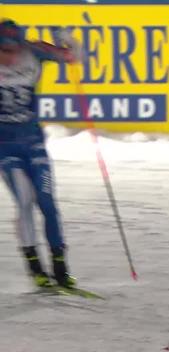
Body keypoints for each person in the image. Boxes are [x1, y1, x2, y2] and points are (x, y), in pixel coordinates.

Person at [0, 19, 83, 288]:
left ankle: (60, 266)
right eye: (3, 50)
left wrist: (66, 39)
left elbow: (73, 58)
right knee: (25, 199)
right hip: (5, 145)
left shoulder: (34, 51)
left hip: (34, 141)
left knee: (47, 201)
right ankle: (35, 266)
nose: (9, 56)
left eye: (12, 49)